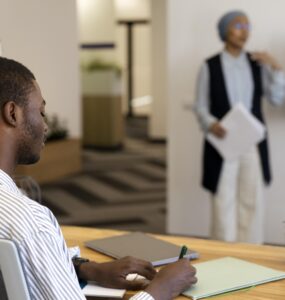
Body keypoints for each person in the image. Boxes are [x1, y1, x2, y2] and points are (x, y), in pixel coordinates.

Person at [0, 56, 197, 300]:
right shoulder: (29, 222)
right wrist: (161, 288)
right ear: (12, 113)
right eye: (41, 111)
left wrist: (87, 268)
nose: (46, 125)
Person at [193, 10, 285, 243]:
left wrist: (276, 68)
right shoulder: (209, 66)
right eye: (238, 25)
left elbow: (276, 98)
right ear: (225, 30)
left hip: (252, 142)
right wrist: (211, 124)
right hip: (223, 143)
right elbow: (201, 106)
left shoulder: (257, 64)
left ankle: (251, 250)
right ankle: (224, 251)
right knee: (223, 198)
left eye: (248, 26)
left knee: (251, 199)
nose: (245, 31)